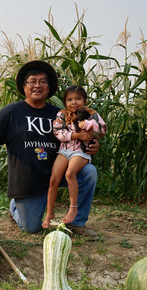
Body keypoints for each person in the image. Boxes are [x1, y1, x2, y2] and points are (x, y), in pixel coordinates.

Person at [0, 60, 100, 236]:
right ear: (24, 87)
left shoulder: (61, 114)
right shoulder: (12, 111)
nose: (37, 85)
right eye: (32, 81)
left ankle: (77, 223)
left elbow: (83, 133)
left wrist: (92, 144)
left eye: (42, 81)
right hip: (28, 181)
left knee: (89, 172)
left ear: (49, 88)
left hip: (58, 172)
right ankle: (15, 207)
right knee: (31, 228)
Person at [42, 85, 107, 229]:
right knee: (53, 179)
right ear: (65, 102)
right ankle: (49, 213)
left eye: (78, 99)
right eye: (70, 99)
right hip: (64, 150)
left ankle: (73, 207)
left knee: (70, 173)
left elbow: (102, 128)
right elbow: (57, 132)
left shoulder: (91, 114)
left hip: (80, 152)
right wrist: (75, 135)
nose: (74, 102)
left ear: (85, 100)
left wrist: (87, 124)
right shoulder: (62, 114)